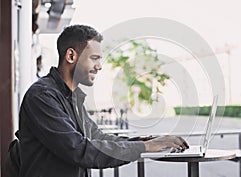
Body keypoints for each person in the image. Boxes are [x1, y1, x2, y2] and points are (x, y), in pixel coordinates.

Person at [17, 24, 189, 177]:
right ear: (71, 56)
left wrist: (143, 141)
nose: (100, 66)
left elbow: (95, 137)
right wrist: (146, 148)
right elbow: (79, 149)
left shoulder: (72, 96)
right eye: (94, 58)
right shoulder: (42, 96)